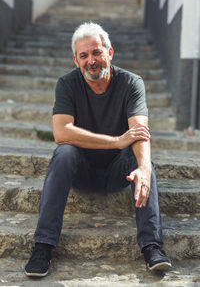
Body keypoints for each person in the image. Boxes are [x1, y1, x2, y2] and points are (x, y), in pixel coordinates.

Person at [25, 22, 172, 277]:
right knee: (64, 152)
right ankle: (43, 246)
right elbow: (62, 133)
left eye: (96, 52)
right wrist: (116, 141)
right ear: (75, 60)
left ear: (109, 53)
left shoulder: (131, 83)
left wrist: (144, 169)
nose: (91, 61)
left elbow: (139, 133)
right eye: (84, 56)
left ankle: (152, 246)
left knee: (141, 161)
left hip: (119, 172)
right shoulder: (67, 84)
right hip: (80, 171)